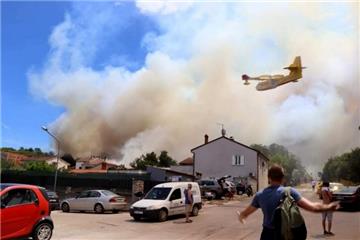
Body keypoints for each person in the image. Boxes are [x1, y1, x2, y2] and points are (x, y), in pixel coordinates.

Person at [237, 165, 339, 240]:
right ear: (282, 179)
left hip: (267, 235)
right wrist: (329, 207)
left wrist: (241, 216)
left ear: (269, 178)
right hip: (286, 234)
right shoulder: (290, 191)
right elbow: (313, 207)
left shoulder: (260, 195)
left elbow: (245, 214)